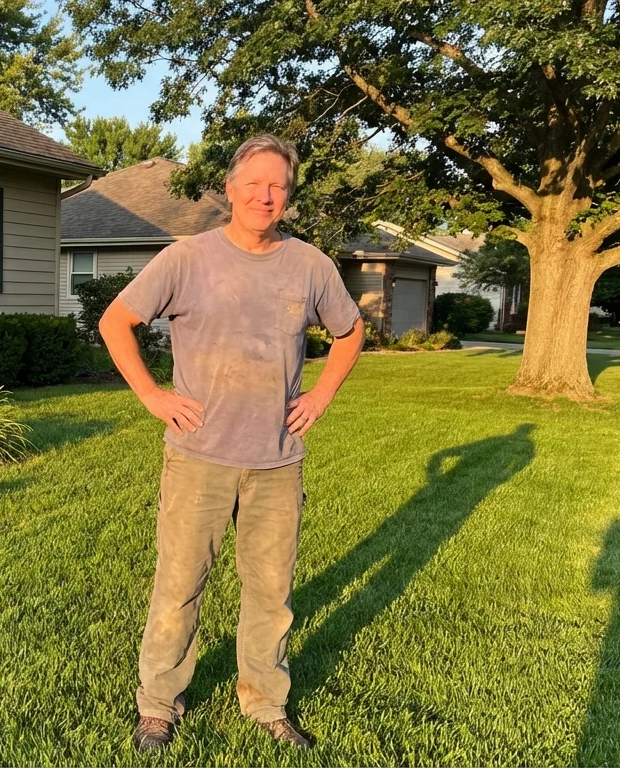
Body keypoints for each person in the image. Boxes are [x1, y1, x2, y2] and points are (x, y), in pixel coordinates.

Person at [99, 134, 365, 752]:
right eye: (253, 185)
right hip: (199, 457)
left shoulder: (310, 266)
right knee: (179, 584)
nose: (264, 196)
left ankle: (266, 702)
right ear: (230, 189)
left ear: (287, 195)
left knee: (271, 592)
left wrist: (321, 396)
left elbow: (349, 334)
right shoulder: (187, 258)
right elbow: (117, 321)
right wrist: (153, 396)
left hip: (276, 461)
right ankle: (159, 705)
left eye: (276, 186)